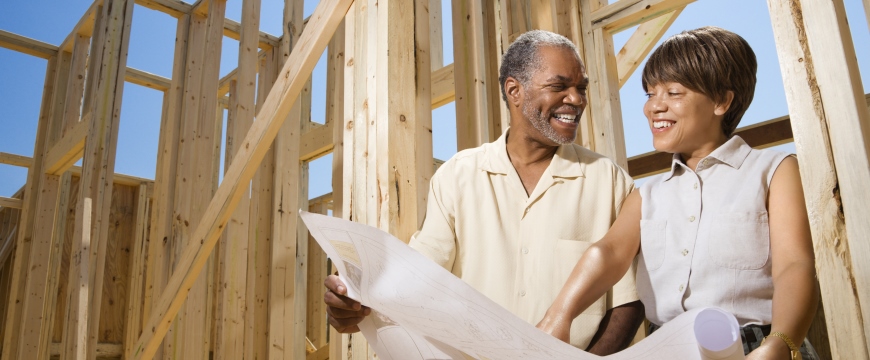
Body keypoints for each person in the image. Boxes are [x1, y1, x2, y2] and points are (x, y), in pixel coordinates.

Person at [324, 30, 645, 354]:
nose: (576, 99)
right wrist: (356, 298)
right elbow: (419, 277)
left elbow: (628, 301)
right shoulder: (456, 177)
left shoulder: (610, 183)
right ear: (514, 91)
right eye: (559, 86)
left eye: (581, 88)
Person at [536, 26, 820, 359]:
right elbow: (608, 253)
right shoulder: (647, 195)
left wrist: (780, 344)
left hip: (756, 349)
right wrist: (559, 315)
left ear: (721, 101)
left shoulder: (773, 171)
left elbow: (794, 267)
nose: (653, 107)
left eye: (673, 92)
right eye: (650, 94)